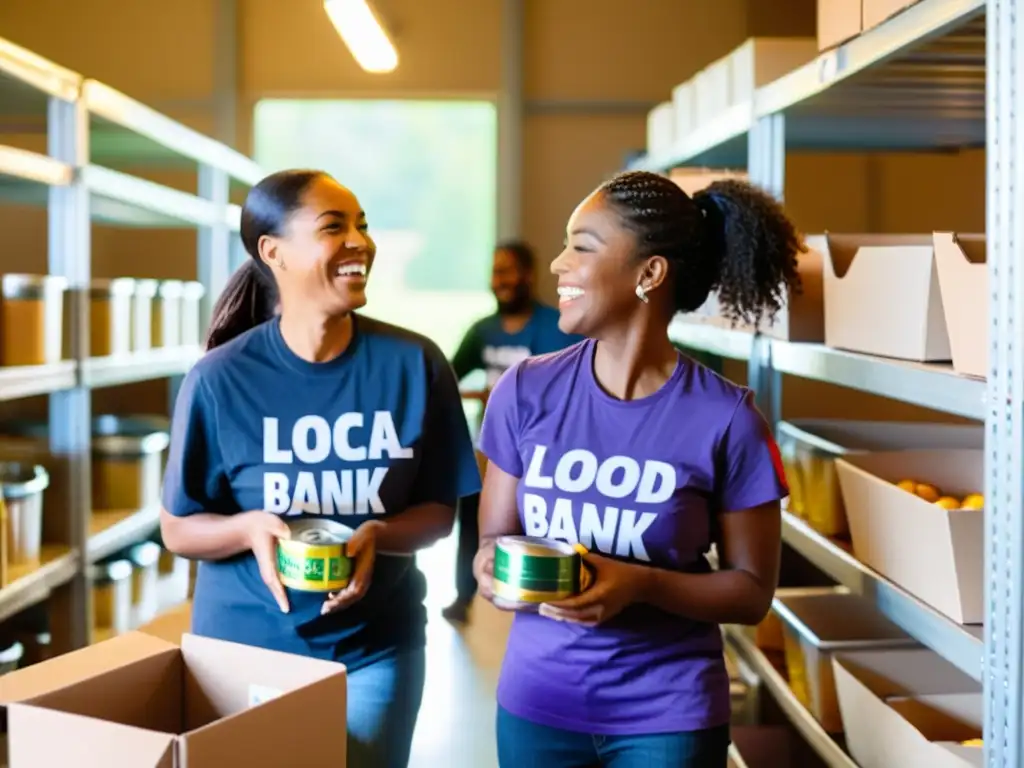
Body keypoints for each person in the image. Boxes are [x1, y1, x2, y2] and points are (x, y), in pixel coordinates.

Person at [473, 170, 802, 767]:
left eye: (582, 246)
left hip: (669, 718)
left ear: (650, 273)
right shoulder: (524, 392)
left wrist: (641, 584)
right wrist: (493, 572)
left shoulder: (727, 420)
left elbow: (752, 592)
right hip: (536, 705)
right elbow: (492, 544)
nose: (557, 265)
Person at [159, 169, 480, 768]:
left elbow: (440, 511)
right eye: (335, 227)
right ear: (273, 252)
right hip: (241, 650)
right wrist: (247, 528)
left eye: (363, 225)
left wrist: (380, 535)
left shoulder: (415, 364)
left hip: (374, 651)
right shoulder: (219, 379)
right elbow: (178, 528)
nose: (361, 241)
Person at [443, 241, 582, 622]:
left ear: (528, 275)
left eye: (507, 271)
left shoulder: (556, 327)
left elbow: (579, 385)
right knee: (473, 522)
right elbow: (447, 377)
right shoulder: (482, 331)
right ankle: (464, 595)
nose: (499, 280)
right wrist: (481, 394)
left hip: (545, 455)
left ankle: (553, 591)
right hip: (489, 453)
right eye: (495, 272)